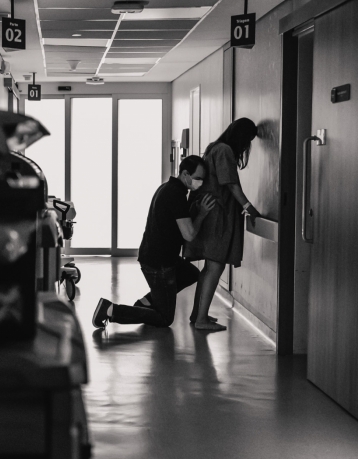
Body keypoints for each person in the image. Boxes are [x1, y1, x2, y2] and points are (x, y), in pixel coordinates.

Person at [92, 156, 216, 330]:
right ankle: (111, 310)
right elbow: (189, 234)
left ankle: (145, 303)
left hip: (158, 256)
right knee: (165, 318)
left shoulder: (167, 188)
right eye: (197, 178)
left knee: (190, 273)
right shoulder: (175, 194)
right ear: (185, 174)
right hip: (160, 264)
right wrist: (202, 213)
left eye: (202, 179)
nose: (200, 183)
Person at [184, 118, 260, 331]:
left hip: (211, 214)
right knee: (215, 265)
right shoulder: (225, 150)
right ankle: (201, 319)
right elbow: (231, 185)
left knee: (209, 266)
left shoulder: (213, 148)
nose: (247, 146)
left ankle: (198, 314)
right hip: (218, 216)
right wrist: (249, 207)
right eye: (247, 141)